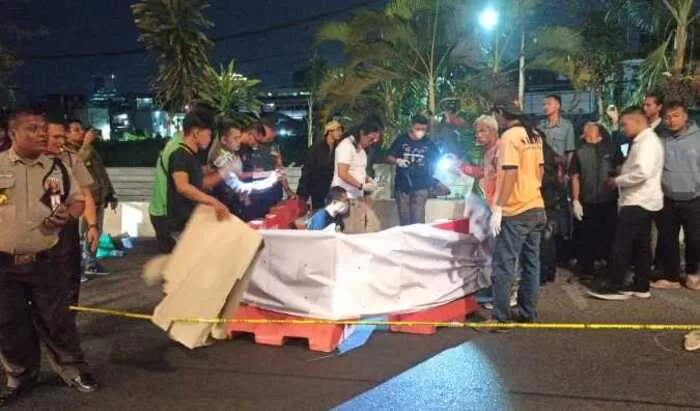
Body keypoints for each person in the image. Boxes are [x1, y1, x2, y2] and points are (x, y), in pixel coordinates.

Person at [0, 108, 97, 407]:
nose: (41, 133)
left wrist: (68, 214)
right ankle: (19, 376)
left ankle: (72, 370)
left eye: (43, 127)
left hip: (47, 259)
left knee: (57, 319)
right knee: (9, 323)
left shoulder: (58, 167)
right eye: (32, 128)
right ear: (13, 134)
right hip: (4, 264)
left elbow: (77, 201)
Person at [588, 106, 663, 301]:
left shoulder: (647, 143)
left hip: (638, 200)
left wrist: (617, 181)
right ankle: (641, 285)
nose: (623, 128)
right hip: (643, 200)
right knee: (641, 245)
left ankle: (616, 285)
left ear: (637, 121)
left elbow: (642, 172)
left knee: (622, 244)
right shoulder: (643, 141)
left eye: (625, 124)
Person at [489, 100, 546, 323]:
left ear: (501, 113)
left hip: (516, 210)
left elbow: (510, 172)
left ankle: (500, 318)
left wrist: (499, 206)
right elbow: (540, 171)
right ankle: (527, 312)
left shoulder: (509, 137)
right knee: (531, 264)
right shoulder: (534, 135)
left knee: (503, 265)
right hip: (536, 205)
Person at [652, 101, 700, 291]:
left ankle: (693, 274)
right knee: (667, 239)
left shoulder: (697, 138)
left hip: (694, 198)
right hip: (667, 198)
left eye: (676, 115)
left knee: (695, 239)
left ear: (686, 116)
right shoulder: (659, 139)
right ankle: (671, 276)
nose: (671, 120)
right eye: (667, 117)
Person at [166, 108, 234, 237]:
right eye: (208, 135)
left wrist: (218, 170)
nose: (210, 139)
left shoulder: (192, 156)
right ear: (196, 133)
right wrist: (213, 202)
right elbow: (183, 186)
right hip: (181, 226)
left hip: (192, 222)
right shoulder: (179, 155)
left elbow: (199, 183)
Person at [47, 120, 100, 284]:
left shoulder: (71, 158)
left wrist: (92, 226)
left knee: (68, 280)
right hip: (37, 233)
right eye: (55, 137)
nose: (61, 141)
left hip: (66, 228)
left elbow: (86, 194)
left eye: (62, 137)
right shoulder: (28, 161)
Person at [570, 122, 624, 280]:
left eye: (587, 130)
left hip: (608, 200)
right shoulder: (580, 151)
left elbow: (620, 171)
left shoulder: (612, 149)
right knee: (587, 236)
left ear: (597, 132)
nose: (584, 133)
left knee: (610, 235)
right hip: (587, 200)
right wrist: (575, 200)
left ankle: (611, 267)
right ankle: (587, 268)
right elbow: (575, 176)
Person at [65, 120, 117, 276]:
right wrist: (86, 144)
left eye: (81, 129)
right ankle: (79, 267)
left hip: (97, 198)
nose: (82, 132)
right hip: (81, 202)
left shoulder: (90, 150)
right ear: (66, 134)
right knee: (81, 235)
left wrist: (111, 193)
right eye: (76, 130)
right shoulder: (67, 152)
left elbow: (101, 172)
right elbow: (76, 166)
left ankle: (91, 263)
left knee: (95, 232)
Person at [386, 114, 439, 226]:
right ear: (412, 126)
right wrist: (398, 161)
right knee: (404, 219)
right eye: (418, 129)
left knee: (418, 221)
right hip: (403, 185)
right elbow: (388, 157)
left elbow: (437, 159)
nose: (420, 132)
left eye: (423, 129)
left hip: (421, 185)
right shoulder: (401, 140)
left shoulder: (428, 143)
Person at [332, 121, 382, 234]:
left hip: (357, 198)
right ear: (362, 133)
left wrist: (369, 180)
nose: (372, 142)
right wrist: (361, 186)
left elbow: (358, 171)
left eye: (375, 140)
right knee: (351, 233)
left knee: (365, 230)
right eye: (371, 139)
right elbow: (342, 173)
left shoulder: (361, 150)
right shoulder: (346, 146)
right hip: (346, 198)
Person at [240, 118, 293, 220]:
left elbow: (279, 168)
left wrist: (287, 190)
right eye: (267, 138)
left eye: (271, 139)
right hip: (253, 196)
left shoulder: (273, 147)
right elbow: (239, 175)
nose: (268, 140)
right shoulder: (244, 146)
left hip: (272, 195)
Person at [540, 140, 569, 284]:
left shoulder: (544, 162)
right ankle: (549, 271)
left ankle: (544, 273)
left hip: (544, 202)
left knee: (543, 240)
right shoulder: (555, 160)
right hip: (551, 203)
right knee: (548, 239)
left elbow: (542, 181)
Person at [297, 120, 344, 211]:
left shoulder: (338, 148)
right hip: (317, 189)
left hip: (332, 189)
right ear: (330, 131)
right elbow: (307, 171)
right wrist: (302, 194)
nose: (340, 133)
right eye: (338, 130)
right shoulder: (316, 148)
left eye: (341, 131)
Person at [540, 95, 576, 165]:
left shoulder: (567, 126)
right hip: (545, 165)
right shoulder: (540, 126)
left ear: (558, 106)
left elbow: (570, 151)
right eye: (544, 104)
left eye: (549, 104)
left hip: (560, 166)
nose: (545, 107)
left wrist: (567, 169)